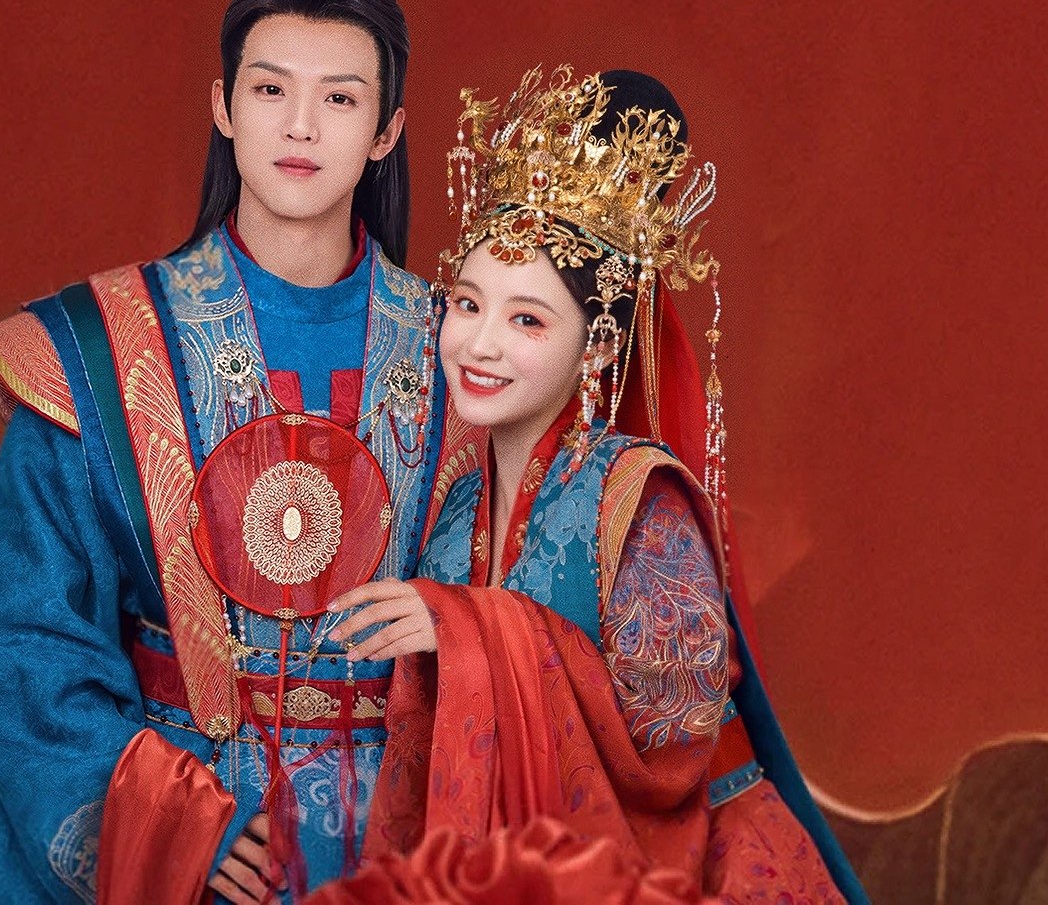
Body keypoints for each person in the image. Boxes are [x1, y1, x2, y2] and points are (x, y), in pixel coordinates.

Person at [0, 0, 448, 903]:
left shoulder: (463, 356)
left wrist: (477, 640)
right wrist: (176, 832)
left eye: (340, 97)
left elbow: (536, 608)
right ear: (224, 107)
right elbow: (21, 649)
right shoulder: (98, 351)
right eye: (270, 90)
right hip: (204, 841)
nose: (300, 127)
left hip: (419, 845)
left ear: (387, 129)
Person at [306, 67, 865, 902]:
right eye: (468, 304)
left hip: (690, 870)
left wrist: (468, 627)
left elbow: (679, 728)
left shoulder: (639, 501)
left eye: (527, 319)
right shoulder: (455, 512)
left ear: (597, 346)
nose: (480, 344)